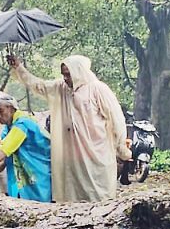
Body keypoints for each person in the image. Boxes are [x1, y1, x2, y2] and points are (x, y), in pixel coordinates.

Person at [7, 54, 130, 202]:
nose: (65, 78)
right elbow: (39, 86)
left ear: (79, 72)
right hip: (73, 155)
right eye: (63, 75)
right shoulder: (61, 88)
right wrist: (19, 68)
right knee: (74, 195)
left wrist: (121, 147)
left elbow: (116, 119)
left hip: (96, 153)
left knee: (98, 195)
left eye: (68, 74)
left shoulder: (98, 89)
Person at [0, 95, 52, 203]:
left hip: (38, 172)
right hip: (20, 177)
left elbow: (5, 149)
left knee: (41, 206)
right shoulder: (6, 129)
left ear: (11, 108)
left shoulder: (23, 123)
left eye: (1, 111)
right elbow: (7, 158)